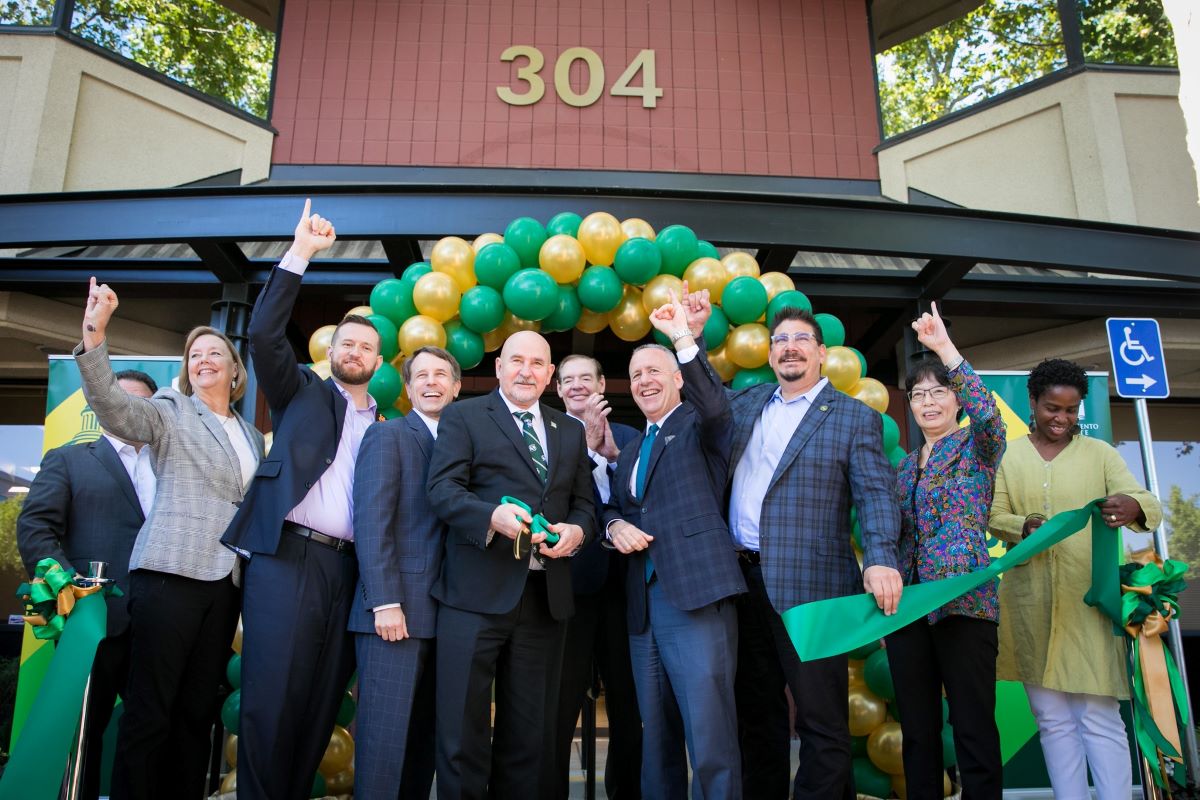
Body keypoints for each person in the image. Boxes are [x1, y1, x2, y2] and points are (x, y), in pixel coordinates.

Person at [701, 294, 901, 800]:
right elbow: (700, 396)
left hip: (811, 589)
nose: (790, 348)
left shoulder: (854, 417)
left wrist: (880, 558)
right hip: (740, 583)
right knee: (755, 715)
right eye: (780, 341)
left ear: (821, 352)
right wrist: (690, 336)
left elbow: (876, 495)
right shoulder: (747, 404)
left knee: (821, 720)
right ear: (769, 354)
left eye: (800, 340)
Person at [221, 200, 384, 800]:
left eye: (368, 347)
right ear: (333, 350)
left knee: (322, 704)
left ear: (379, 361)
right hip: (286, 559)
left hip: (351, 571)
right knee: (272, 698)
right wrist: (300, 254)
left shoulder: (389, 427)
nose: (356, 352)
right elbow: (264, 333)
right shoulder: (302, 393)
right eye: (348, 342)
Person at [75, 285, 263, 800]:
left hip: (225, 584)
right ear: (186, 369)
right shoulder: (169, 410)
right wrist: (96, 333)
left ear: (234, 368)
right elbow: (115, 409)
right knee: (151, 711)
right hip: (168, 575)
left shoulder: (249, 433)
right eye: (194, 356)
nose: (204, 361)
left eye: (214, 354)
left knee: (196, 712)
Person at [426, 330, 594, 800]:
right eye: (516, 361)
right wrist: (491, 517)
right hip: (473, 597)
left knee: (530, 736)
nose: (526, 371)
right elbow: (441, 491)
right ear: (498, 367)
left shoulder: (570, 430)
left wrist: (577, 533)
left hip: (545, 599)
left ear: (549, 375)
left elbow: (584, 504)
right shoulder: (463, 416)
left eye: (537, 364)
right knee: (462, 730)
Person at [990, 358, 1161, 800]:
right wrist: (1022, 526)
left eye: (1071, 410)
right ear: (1032, 403)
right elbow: (993, 515)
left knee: (1099, 717)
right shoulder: (1009, 454)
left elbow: (1143, 500)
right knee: (1051, 719)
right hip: (1029, 603)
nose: (1062, 419)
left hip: (1088, 602)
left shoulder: (1100, 454)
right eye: (1052, 408)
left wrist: (1132, 506)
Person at [604, 292, 746, 800]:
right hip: (643, 605)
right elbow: (618, 507)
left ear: (678, 378)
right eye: (636, 373)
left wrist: (682, 336)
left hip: (696, 595)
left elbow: (713, 402)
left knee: (709, 737)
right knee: (655, 739)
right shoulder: (633, 450)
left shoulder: (701, 424)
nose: (644, 380)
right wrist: (612, 526)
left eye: (654, 369)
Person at [17, 370, 158, 800]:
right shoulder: (69, 459)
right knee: (81, 737)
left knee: (151, 736)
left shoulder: (171, 467)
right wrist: (71, 590)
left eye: (141, 404)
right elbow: (36, 527)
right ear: (100, 404)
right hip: (93, 622)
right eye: (120, 398)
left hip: (160, 623)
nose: (129, 410)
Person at [886, 302, 1005, 799]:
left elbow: (991, 416)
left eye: (938, 393)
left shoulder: (977, 447)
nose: (928, 402)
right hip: (909, 609)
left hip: (964, 605)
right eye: (918, 395)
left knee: (973, 726)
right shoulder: (903, 467)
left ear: (954, 400)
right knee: (917, 730)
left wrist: (945, 351)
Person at [349, 345, 461, 800]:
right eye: (422, 375)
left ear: (456, 387)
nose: (431, 382)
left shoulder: (464, 443)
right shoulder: (388, 436)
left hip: (450, 617)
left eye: (441, 375)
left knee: (423, 747)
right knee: (383, 746)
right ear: (409, 387)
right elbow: (371, 522)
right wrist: (385, 601)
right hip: (394, 615)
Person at [548, 354, 641, 800]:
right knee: (560, 702)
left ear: (602, 383)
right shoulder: (545, 435)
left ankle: (626, 790)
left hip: (626, 589)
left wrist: (615, 457)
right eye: (569, 380)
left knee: (629, 703)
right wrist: (582, 449)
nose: (578, 386)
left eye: (587, 377)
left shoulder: (632, 437)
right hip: (568, 586)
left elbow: (643, 501)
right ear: (558, 389)